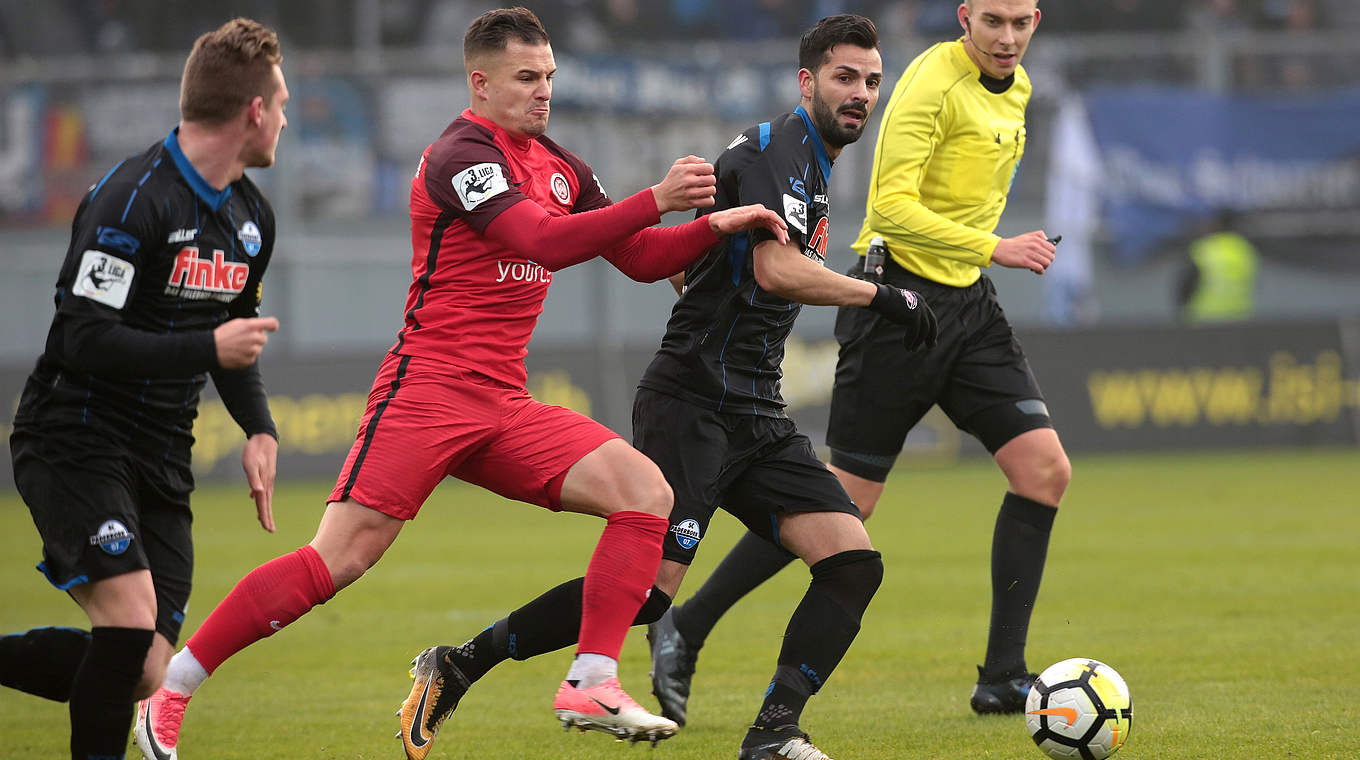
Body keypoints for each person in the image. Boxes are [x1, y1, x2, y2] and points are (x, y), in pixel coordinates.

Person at [134, 7, 788, 760]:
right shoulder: (459, 155)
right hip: (428, 391)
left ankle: (591, 677)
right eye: (526, 77)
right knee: (336, 561)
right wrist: (656, 197)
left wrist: (714, 226)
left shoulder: (562, 165)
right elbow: (537, 239)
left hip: (504, 402)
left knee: (644, 493)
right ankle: (173, 688)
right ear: (480, 82)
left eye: (548, 77)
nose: (543, 91)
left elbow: (639, 257)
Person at [393, 14, 939, 760]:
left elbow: (692, 263)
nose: (861, 94)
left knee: (851, 564)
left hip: (754, 404)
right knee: (647, 596)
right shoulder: (778, 149)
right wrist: (880, 297)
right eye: (846, 78)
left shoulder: (814, 163)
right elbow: (774, 269)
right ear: (808, 82)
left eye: (873, 82)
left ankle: (775, 733)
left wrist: (701, 277)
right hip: (693, 400)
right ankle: (461, 663)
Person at [648, 0, 1067, 723]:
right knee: (847, 504)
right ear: (965, 17)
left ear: (1037, 21)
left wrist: (980, 260)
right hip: (900, 293)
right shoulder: (927, 85)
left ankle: (1003, 676)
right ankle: (686, 624)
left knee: (1044, 470)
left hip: (969, 305)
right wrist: (994, 245)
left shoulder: (1019, 88)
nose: (1007, 37)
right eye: (993, 21)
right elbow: (891, 206)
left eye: (1021, 22)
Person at [0, 18, 287, 760]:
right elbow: (82, 337)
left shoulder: (252, 218)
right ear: (253, 110)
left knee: (144, 667)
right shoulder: (133, 200)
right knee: (129, 626)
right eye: (281, 102)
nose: (285, 117)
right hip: (75, 436)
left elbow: (237, 332)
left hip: (162, 456)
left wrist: (259, 427)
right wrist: (207, 346)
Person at [1176, 210, 1258, 324]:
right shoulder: (1245, 250)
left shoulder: (1204, 248)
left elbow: (1187, 283)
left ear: (1217, 224)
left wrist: (1181, 310)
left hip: (1204, 317)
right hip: (1239, 316)